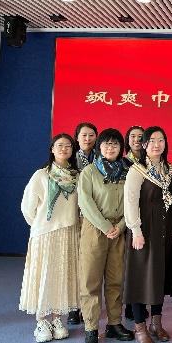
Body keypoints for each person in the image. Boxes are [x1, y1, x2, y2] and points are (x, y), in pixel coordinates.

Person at [19, 134, 80, 343]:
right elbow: (27, 208)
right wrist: (40, 226)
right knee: (44, 276)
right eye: (59, 145)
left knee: (62, 276)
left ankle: (57, 319)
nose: (64, 149)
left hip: (69, 232)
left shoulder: (77, 176)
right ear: (52, 149)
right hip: (45, 234)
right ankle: (41, 321)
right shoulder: (41, 175)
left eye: (68, 145)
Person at [77, 128, 133, 343]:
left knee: (115, 280)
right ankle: (91, 328)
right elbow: (85, 202)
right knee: (90, 280)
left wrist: (121, 226)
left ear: (121, 148)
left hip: (119, 230)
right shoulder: (89, 171)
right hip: (95, 229)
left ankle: (114, 323)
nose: (110, 148)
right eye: (106, 144)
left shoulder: (128, 171)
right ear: (99, 147)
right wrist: (105, 226)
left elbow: (133, 202)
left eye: (115, 144)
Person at [123, 127, 172, 343]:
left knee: (158, 276)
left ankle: (156, 324)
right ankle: (140, 327)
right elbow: (130, 202)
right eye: (152, 140)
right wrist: (136, 230)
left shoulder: (169, 169)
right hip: (143, 231)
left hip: (163, 229)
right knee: (139, 278)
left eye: (161, 140)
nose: (156, 144)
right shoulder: (137, 170)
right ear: (144, 145)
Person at [68, 122, 97, 325]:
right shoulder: (70, 158)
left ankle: (89, 306)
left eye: (91, 135)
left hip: (96, 216)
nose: (87, 139)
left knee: (91, 265)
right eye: (83, 135)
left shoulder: (101, 158)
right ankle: (74, 307)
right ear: (77, 137)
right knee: (75, 263)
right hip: (75, 215)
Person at [122, 124, 146, 323]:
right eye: (133, 136)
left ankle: (140, 303)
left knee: (141, 265)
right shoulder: (122, 163)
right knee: (128, 265)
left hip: (144, 219)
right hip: (127, 220)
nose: (137, 140)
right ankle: (130, 306)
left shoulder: (151, 162)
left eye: (140, 136)